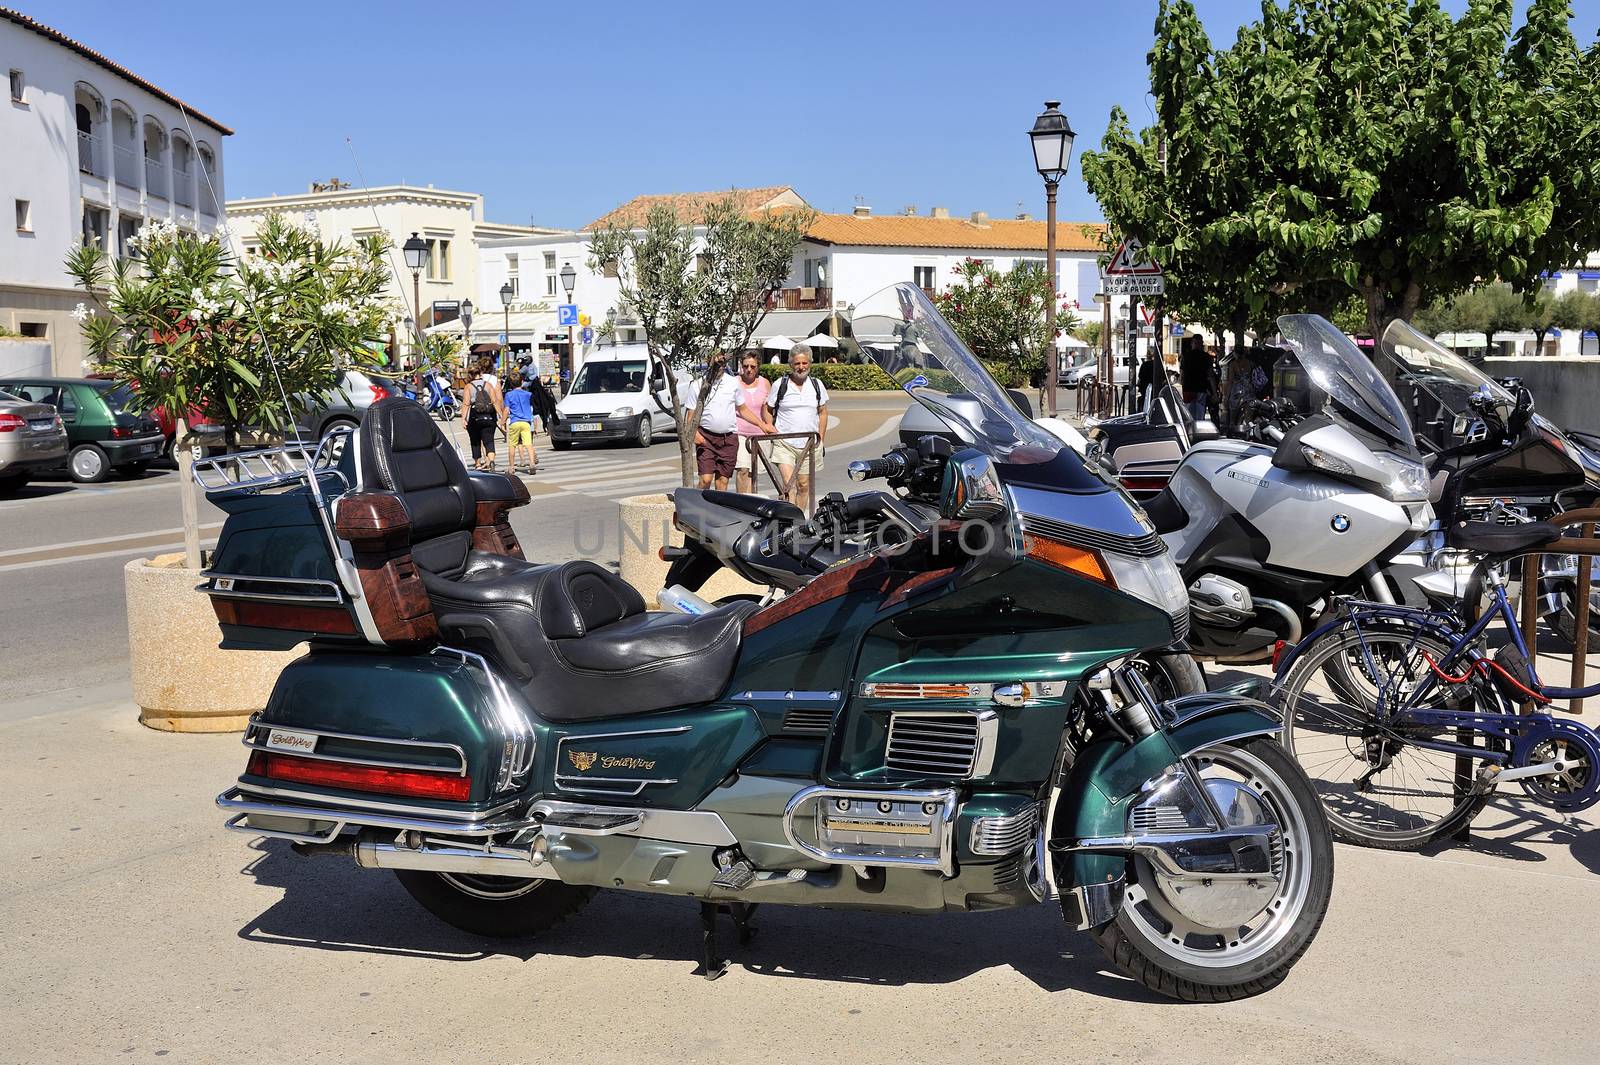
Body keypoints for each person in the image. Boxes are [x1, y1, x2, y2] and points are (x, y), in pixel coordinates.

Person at [765, 343, 827, 511]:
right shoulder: (780, 384)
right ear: (791, 364)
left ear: (810, 363)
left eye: (804, 363)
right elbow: (768, 408)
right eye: (797, 363)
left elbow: (822, 412)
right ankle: (789, 525)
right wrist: (769, 427)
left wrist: (820, 438)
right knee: (789, 485)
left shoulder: (816, 385)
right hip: (784, 443)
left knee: (803, 486)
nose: (801, 367)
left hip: (808, 445)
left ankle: (799, 524)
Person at [688, 362, 744, 491]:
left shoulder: (733, 383)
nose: (719, 367)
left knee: (722, 482)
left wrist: (762, 424)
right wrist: (694, 434)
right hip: (706, 437)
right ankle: (698, 507)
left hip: (728, 438)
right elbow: (690, 415)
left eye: (721, 364)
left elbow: (743, 408)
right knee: (705, 479)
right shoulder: (698, 385)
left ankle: (716, 510)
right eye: (715, 363)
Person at [733, 353, 775, 493]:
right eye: (745, 366)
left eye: (752, 366)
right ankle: (741, 503)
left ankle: (751, 503)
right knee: (743, 470)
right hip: (740, 433)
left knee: (753, 473)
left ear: (758, 367)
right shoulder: (735, 382)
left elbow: (768, 408)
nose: (749, 370)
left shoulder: (765, 383)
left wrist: (769, 426)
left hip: (760, 434)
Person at [461, 364, 504, 470]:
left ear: (470, 375)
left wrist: (463, 419)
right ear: (480, 373)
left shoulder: (468, 387)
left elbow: (466, 404)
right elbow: (494, 401)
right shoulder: (488, 385)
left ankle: (478, 464)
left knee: (475, 441)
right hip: (489, 416)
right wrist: (501, 415)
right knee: (489, 441)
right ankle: (491, 461)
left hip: (475, 417)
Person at [502, 376, 538, 475]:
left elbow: (506, 409)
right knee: (528, 444)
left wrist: (502, 422)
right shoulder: (528, 394)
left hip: (515, 422)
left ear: (511, 384)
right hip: (526, 422)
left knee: (512, 445)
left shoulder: (509, 395)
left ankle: (511, 467)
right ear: (522, 382)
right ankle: (532, 463)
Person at [1179, 336, 1216, 421]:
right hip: (1201, 388)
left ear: (1192, 343)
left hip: (1188, 388)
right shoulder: (1206, 357)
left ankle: (1190, 431)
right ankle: (1198, 431)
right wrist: (1214, 392)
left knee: (1188, 415)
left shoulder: (1186, 356)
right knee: (1200, 414)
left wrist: (1181, 389)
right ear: (1202, 344)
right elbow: (1210, 375)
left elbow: (1182, 375)